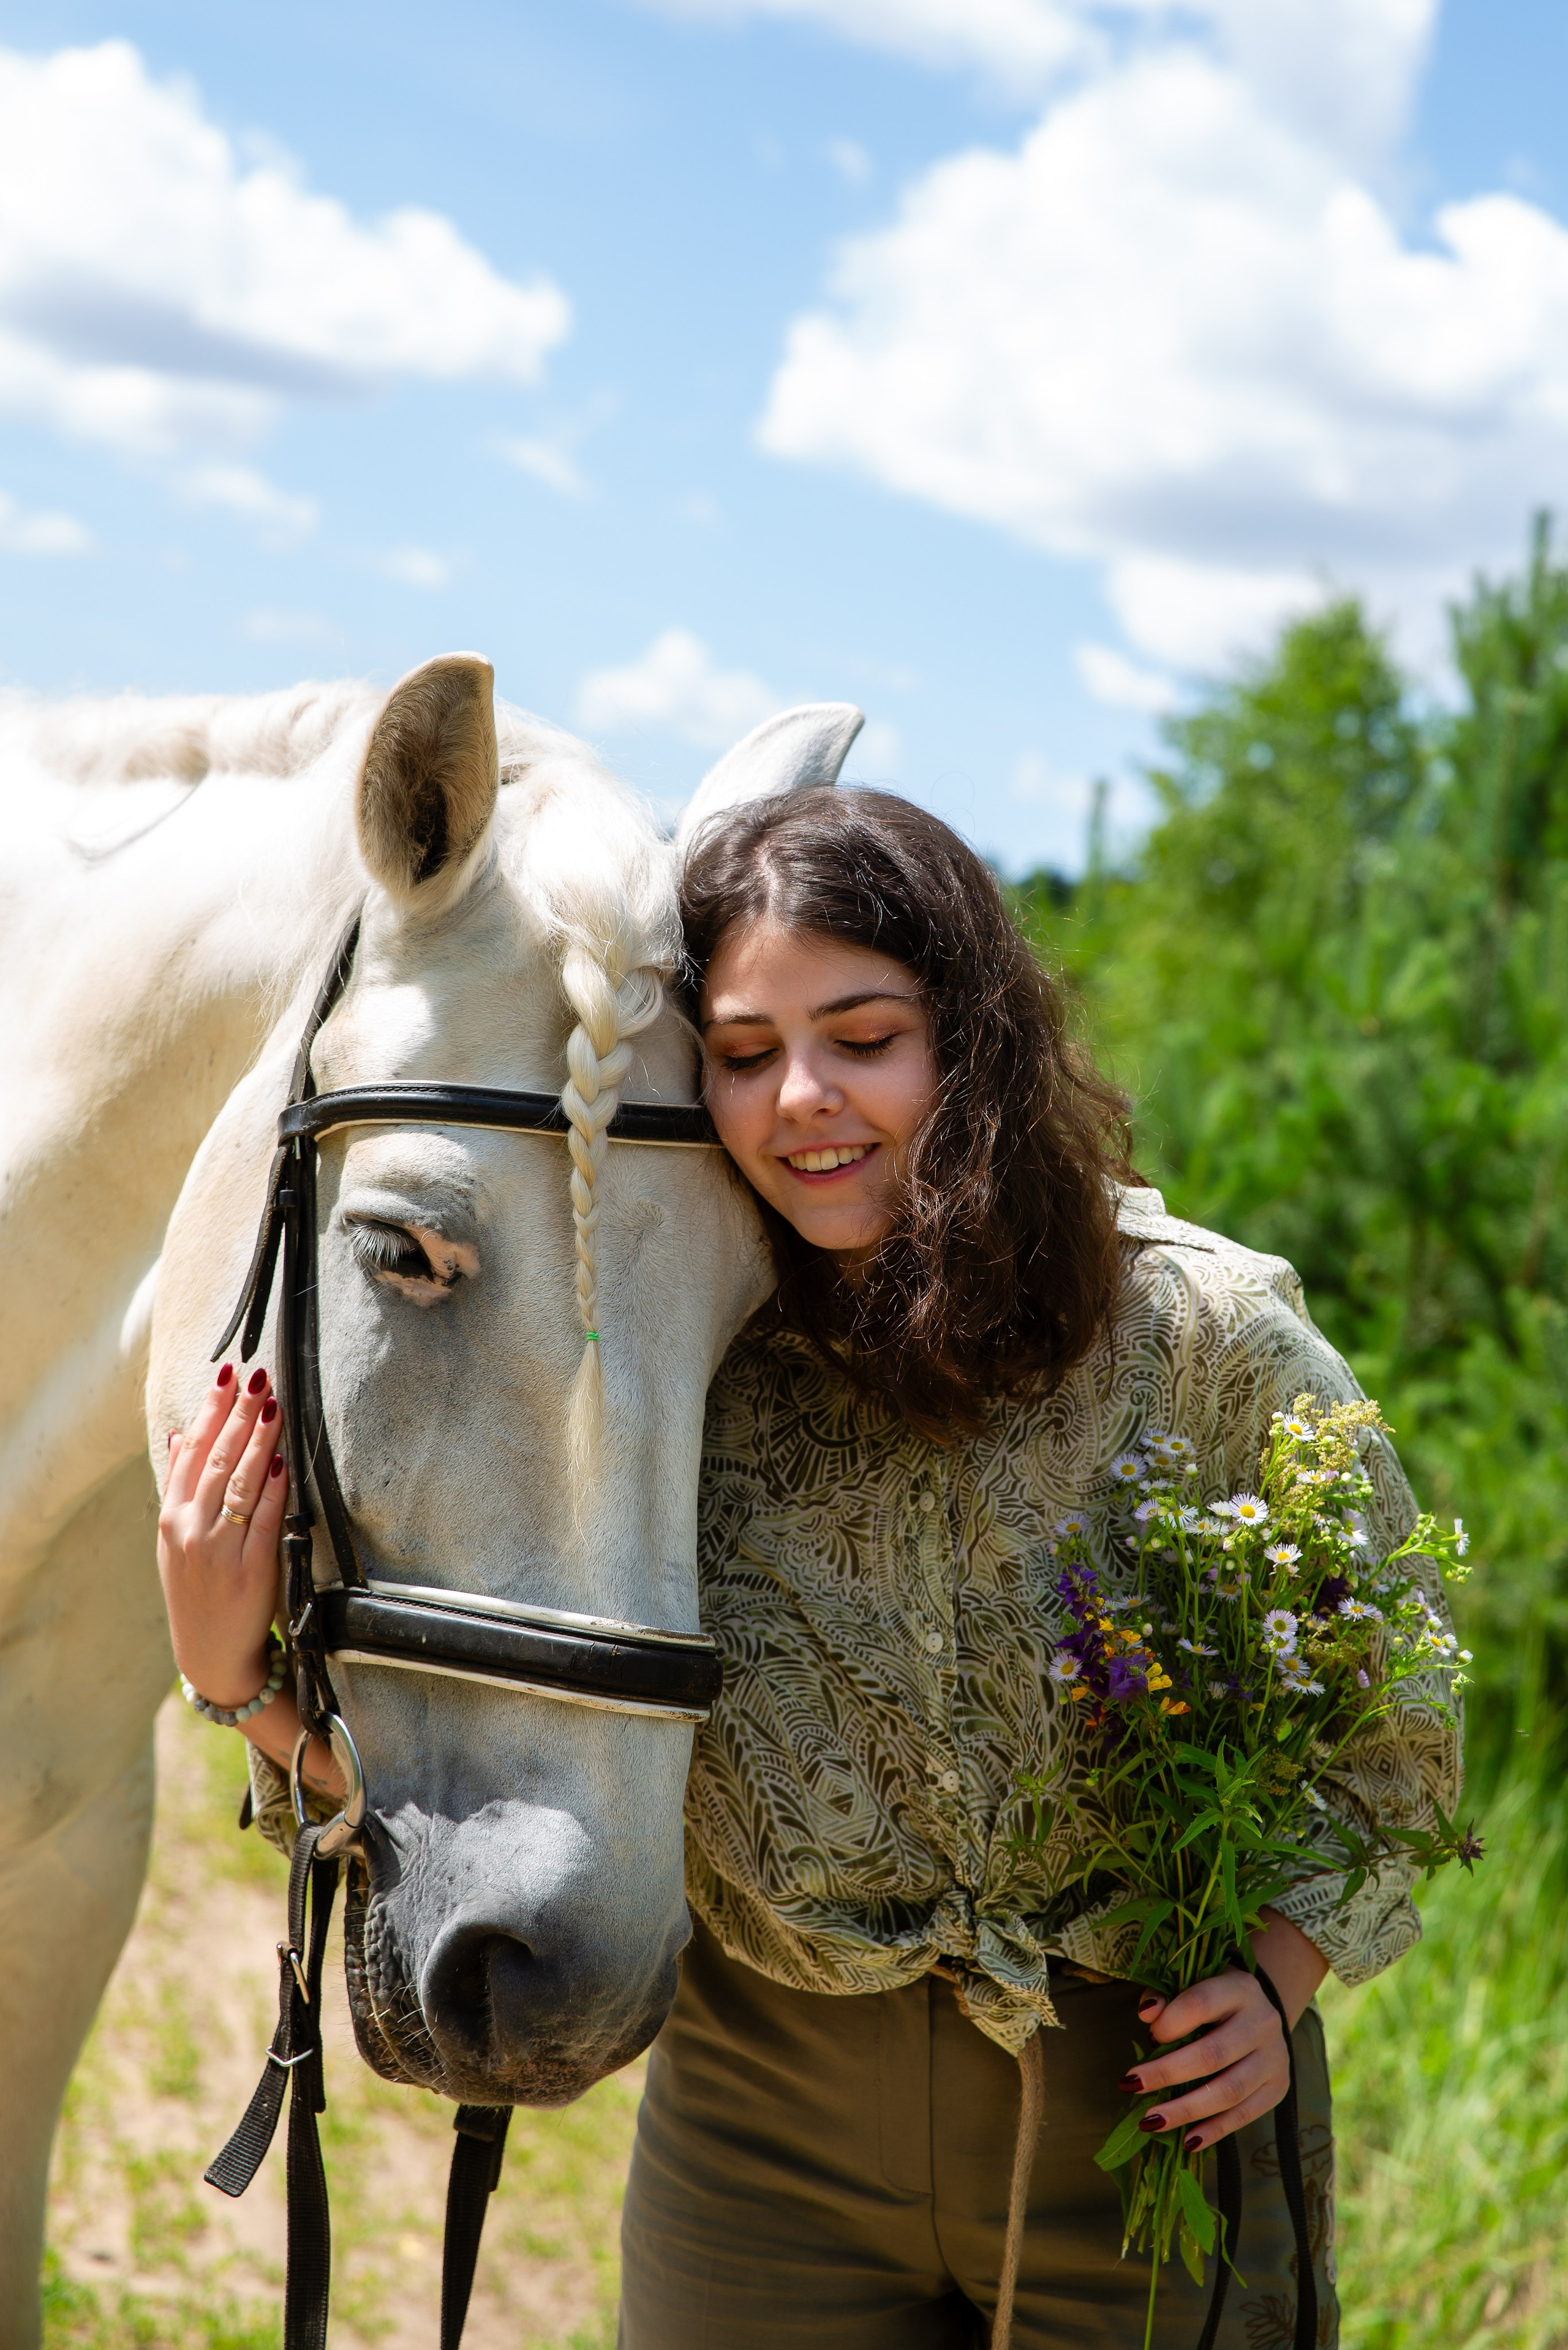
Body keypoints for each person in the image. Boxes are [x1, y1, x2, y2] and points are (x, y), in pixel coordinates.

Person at [157, 786, 1460, 2350]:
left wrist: (1276, 1975)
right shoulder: (694, 1347)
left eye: (861, 1036)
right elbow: (537, 1754)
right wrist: (238, 1685)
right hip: (755, 2133)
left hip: (1141, 2123)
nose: (800, 1100)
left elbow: (1401, 1715)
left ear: (967, 1038)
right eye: (745, 1052)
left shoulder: (1203, 1335)